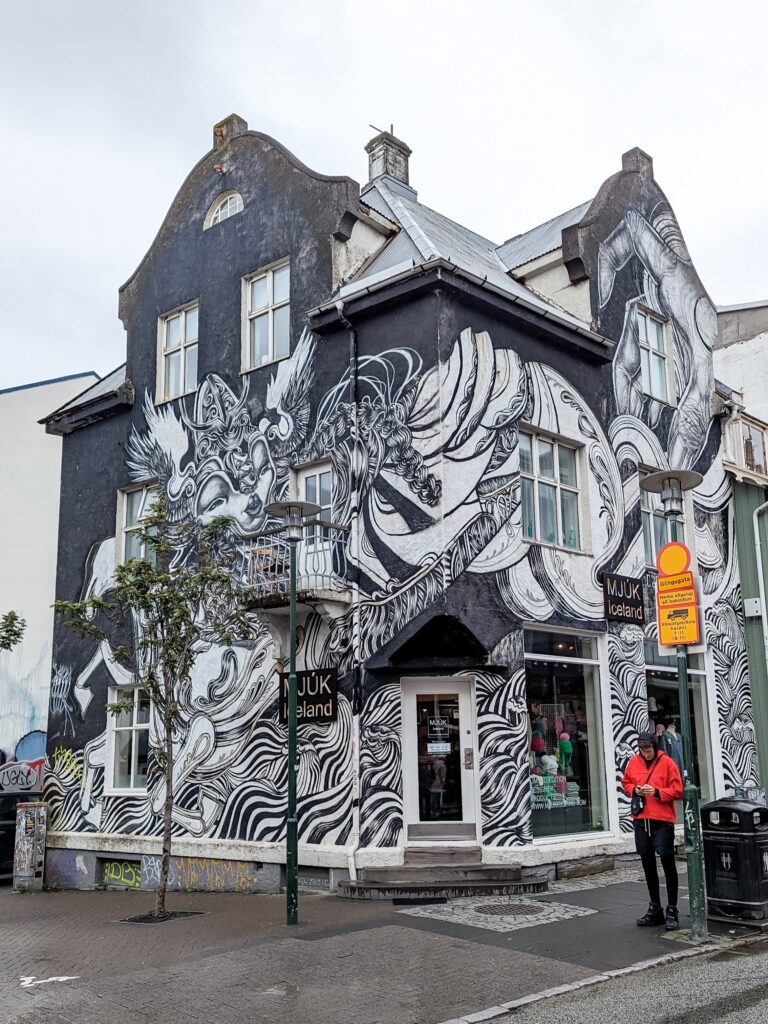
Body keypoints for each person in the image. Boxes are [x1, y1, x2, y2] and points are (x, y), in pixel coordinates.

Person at [622, 731, 683, 930]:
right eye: (642, 749)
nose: (645, 752)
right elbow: (626, 783)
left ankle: (672, 909)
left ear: (655, 746)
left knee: (667, 864)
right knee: (648, 865)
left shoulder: (668, 763)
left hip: (662, 819)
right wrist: (635, 790)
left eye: (648, 748)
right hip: (641, 819)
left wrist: (657, 792)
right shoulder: (634, 762)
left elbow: (678, 790)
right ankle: (655, 908)